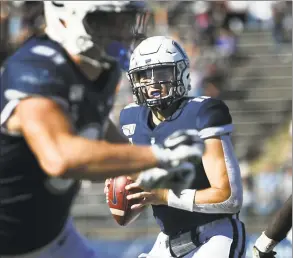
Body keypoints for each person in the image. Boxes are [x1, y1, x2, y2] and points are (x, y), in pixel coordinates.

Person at [0, 2, 204, 257]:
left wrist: (144, 167)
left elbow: (94, 126)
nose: (120, 30)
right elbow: (60, 159)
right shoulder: (35, 67)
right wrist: (157, 157)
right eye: (105, 19)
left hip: (53, 234)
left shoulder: (102, 69)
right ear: (65, 17)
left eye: (124, 19)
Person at [117, 36, 246, 258]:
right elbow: (130, 212)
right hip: (167, 241)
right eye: (144, 76)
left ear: (181, 73)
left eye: (162, 73)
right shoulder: (131, 120)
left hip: (213, 237)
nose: (153, 83)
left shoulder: (202, 113)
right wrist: (124, 196)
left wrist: (164, 195)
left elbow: (229, 198)